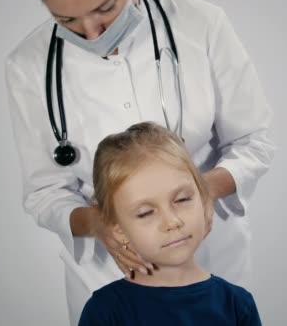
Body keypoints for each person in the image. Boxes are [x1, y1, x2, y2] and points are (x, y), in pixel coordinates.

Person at [5, 0, 274, 324]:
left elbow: (253, 142)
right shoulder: (28, 65)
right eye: (66, 19)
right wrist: (104, 224)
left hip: (211, 255)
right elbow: (45, 193)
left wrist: (202, 191)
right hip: (107, 272)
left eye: (105, 8)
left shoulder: (201, 23)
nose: (90, 33)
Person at [77, 121, 262, 325]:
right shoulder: (105, 312)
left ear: (203, 198)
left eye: (182, 199)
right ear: (118, 229)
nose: (172, 221)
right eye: (146, 213)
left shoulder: (237, 305)